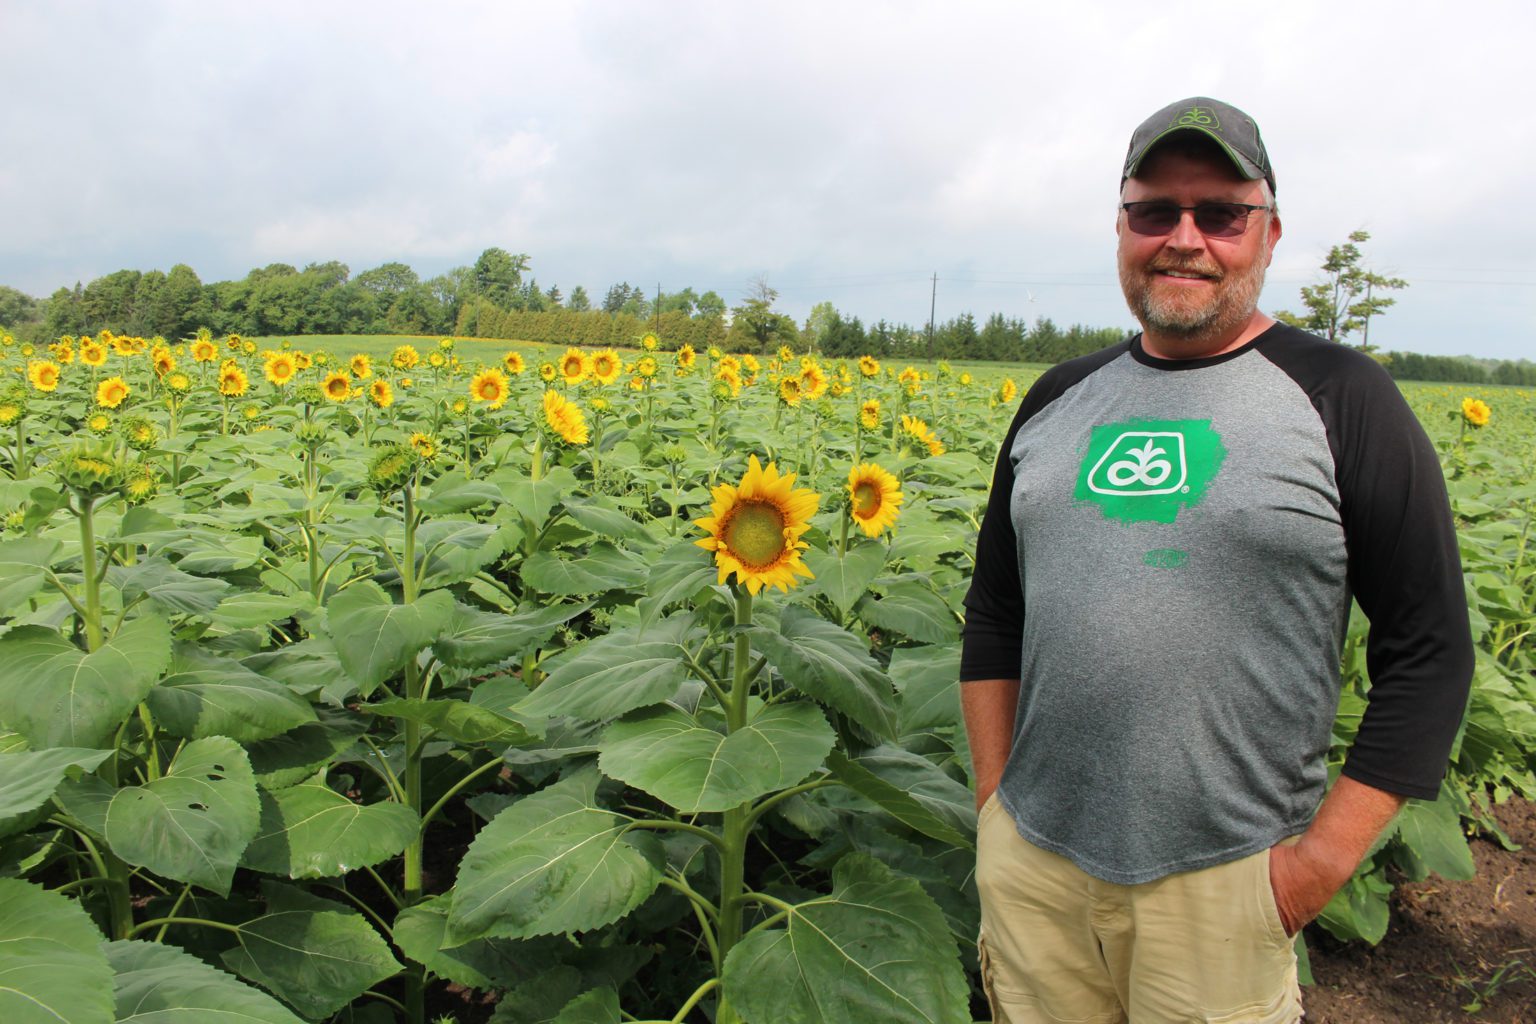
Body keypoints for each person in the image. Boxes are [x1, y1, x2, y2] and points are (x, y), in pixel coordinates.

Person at [959, 97, 1473, 1023]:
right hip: (1034, 864)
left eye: (1220, 214)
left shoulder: (1341, 399)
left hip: (1224, 884)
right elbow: (998, 611)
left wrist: (1314, 869)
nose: (1184, 239)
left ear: (1268, 232)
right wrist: (994, 805)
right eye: (1155, 211)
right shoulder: (1057, 399)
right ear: (1121, 228)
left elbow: (1431, 649)